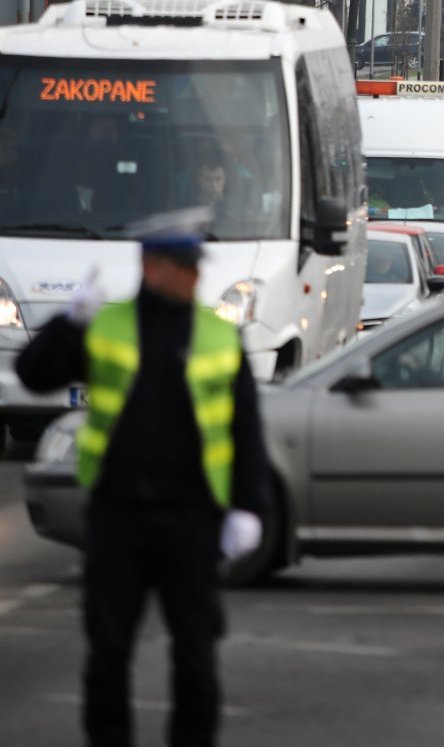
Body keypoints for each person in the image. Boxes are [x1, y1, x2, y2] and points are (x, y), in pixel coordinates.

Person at [16, 208, 270, 747]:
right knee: (108, 655)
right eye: (186, 264)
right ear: (154, 267)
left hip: (191, 518)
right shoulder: (106, 325)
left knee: (196, 658)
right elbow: (32, 376)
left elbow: (245, 429)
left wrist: (250, 507)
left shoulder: (218, 337)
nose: (197, 275)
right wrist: (67, 324)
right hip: (118, 517)